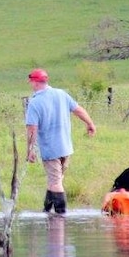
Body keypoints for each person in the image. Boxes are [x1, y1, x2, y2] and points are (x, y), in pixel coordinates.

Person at [25, 68, 96, 214]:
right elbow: (79, 110)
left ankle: (60, 216)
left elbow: (32, 128)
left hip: (50, 150)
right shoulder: (61, 94)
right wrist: (90, 124)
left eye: (31, 81)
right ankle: (46, 211)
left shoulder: (34, 103)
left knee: (56, 182)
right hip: (66, 147)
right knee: (54, 180)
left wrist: (30, 149)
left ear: (34, 82)